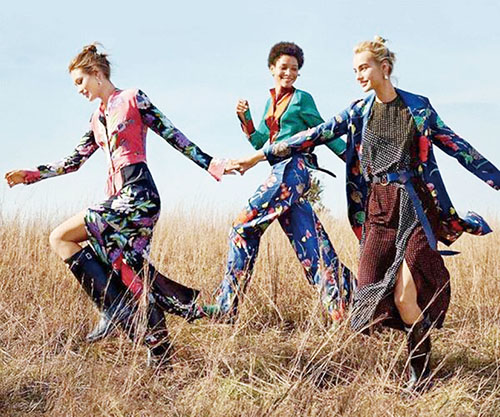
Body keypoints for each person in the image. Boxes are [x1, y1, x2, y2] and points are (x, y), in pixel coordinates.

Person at [230, 36, 500, 390]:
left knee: (404, 295)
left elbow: (458, 147)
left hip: (414, 207)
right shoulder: (359, 111)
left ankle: (420, 374)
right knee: (367, 297)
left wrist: (496, 180)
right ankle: (414, 331)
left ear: (384, 68)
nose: (358, 75)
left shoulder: (417, 108)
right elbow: (310, 136)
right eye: (355, 70)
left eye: (363, 68)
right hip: (377, 211)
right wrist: (257, 157)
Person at [4, 43, 231, 367]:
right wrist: (32, 175)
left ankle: (114, 309)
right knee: (132, 274)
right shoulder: (96, 118)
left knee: (60, 237)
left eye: (80, 81)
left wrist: (211, 164)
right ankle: (163, 350)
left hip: (138, 195)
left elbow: (172, 134)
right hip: (116, 198)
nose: (79, 90)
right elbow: (73, 162)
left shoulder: (133, 99)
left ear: (97, 74)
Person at [203, 42, 355, 323]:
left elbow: (325, 132)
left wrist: (354, 161)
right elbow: (259, 141)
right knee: (312, 245)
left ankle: (226, 307)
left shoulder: (302, 99)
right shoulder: (270, 102)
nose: (289, 73)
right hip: (279, 170)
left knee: (242, 228)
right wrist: (245, 118)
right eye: (284, 67)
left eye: (294, 69)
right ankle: (350, 307)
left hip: (293, 169)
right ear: (272, 68)